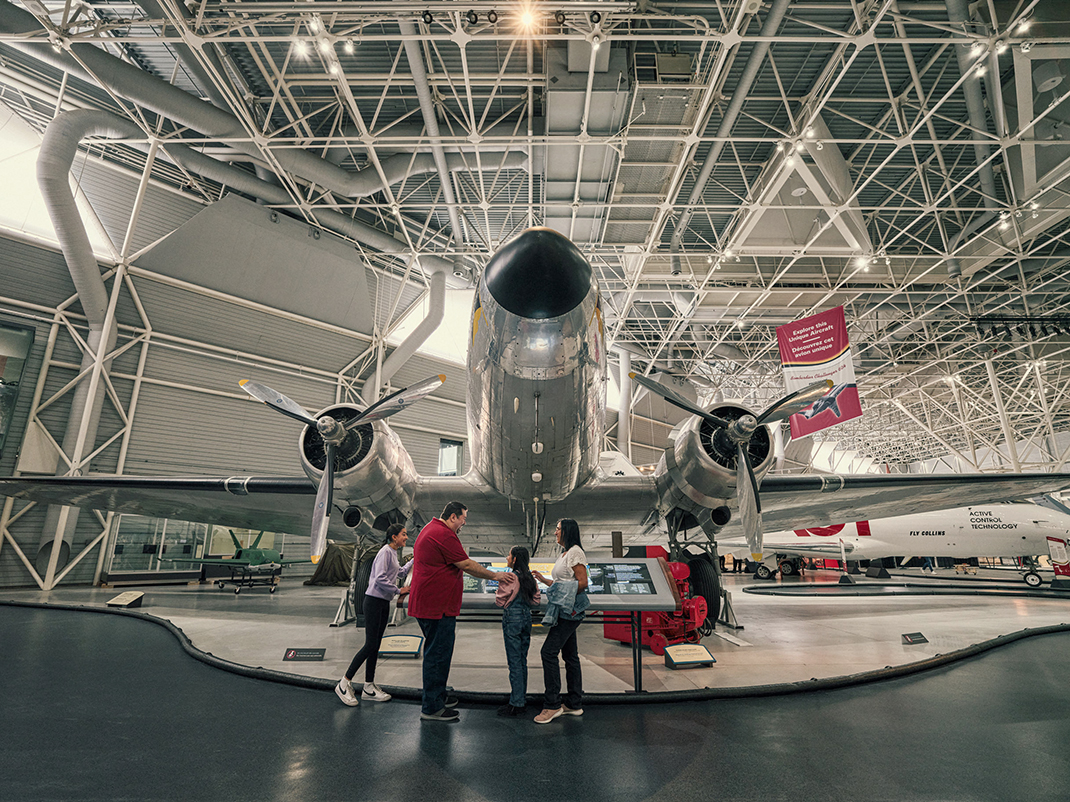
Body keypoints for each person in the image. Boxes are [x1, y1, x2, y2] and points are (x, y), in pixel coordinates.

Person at [408, 501, 508, 722]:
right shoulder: (443, 534)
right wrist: (496, 576)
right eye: (463, 518)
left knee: (438, 653)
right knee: (437, 655)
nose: (464, 523)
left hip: (432, 605)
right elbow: (467, 565)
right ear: (453, 517)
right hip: (436, 607)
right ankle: (432, 707)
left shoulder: (431, 529)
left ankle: (438, 696)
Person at [335, 524, 413, 706]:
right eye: (403, 534)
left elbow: (399, 572)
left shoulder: (393, 553)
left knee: (376, 645)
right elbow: (379, 578)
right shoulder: (385, 552)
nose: (406, 537)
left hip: (383, 603)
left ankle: (369, 687)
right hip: (373, 602)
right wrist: (398, 590)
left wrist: (414, 560)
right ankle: (344, 683)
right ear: (394, 537)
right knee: (370, 644)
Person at [531, 518, 589, 724]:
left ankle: (552, 704)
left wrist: (558, 591)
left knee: (548, 652)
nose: (554, 533)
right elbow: (564, 582)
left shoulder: (575, 552)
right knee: (570, 656)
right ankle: (574, 703)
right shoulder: (565, 553)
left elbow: (582, 582)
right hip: (564, 609)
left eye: (557, 529)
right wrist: (545, 581)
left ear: (566, 531)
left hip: (569, 611)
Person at [495, 545, 541, 717]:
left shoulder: (509, 577)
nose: (507, 558)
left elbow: (500, 601)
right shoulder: (530, 578)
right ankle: (520, 699)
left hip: (512, 619)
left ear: (514, 559)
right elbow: (536, 601)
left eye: (508, 555)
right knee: (522, 660)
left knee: (514, 662)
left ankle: (516, 703)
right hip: (526, 618)